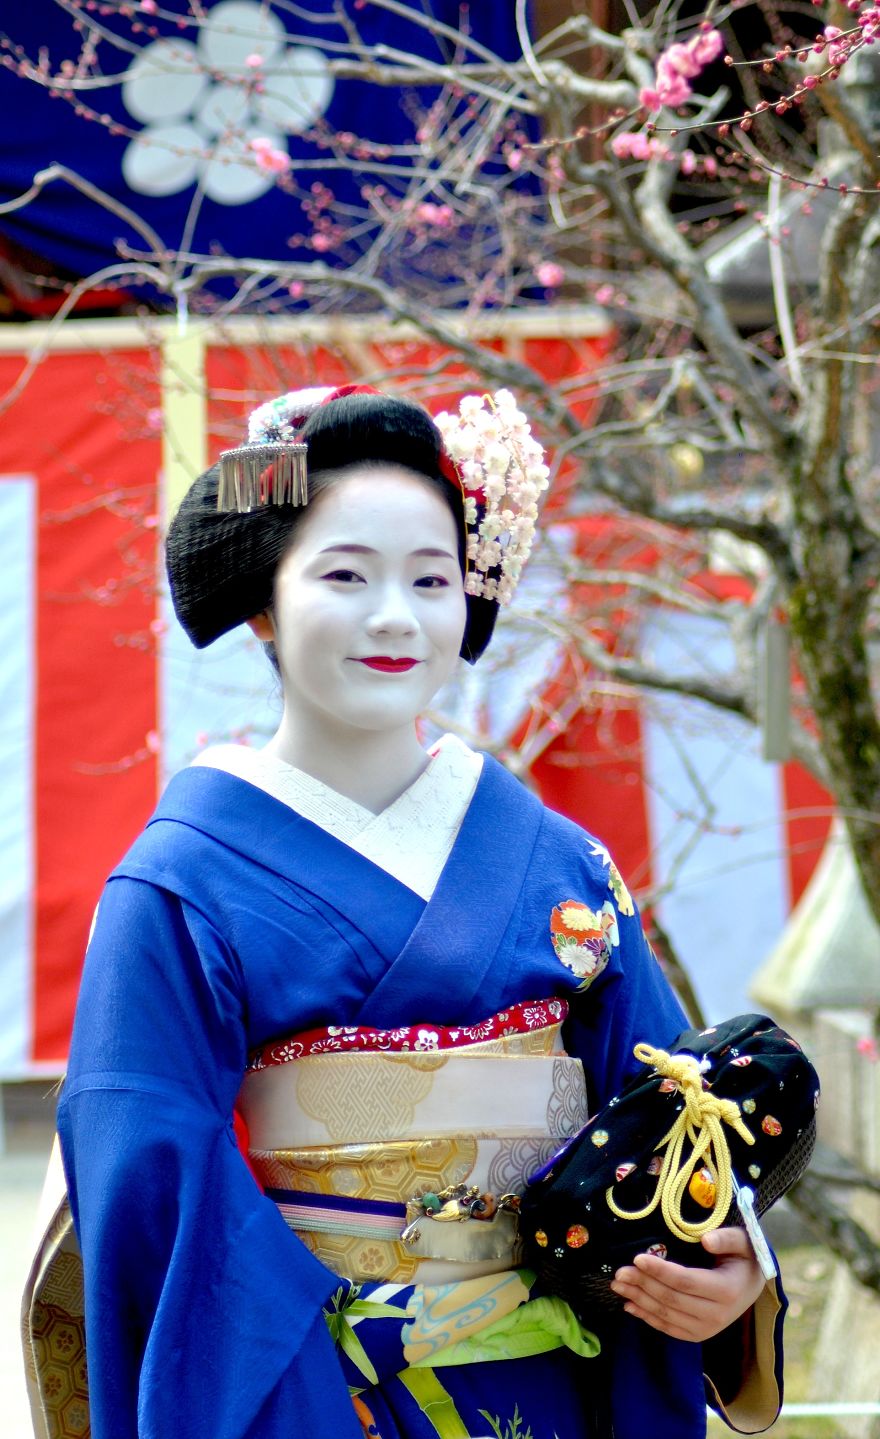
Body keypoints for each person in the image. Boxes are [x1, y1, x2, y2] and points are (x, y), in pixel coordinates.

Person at [43, 385, 784, 1439]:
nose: (396, 615)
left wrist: (723, 1270)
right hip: (312, 1393)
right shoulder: (179, 886)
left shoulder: (554, 859)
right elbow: (151, 1184)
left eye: (431, 578)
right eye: (344, 575)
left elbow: (672, 1120)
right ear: (262, 601)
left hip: (554, 1385)